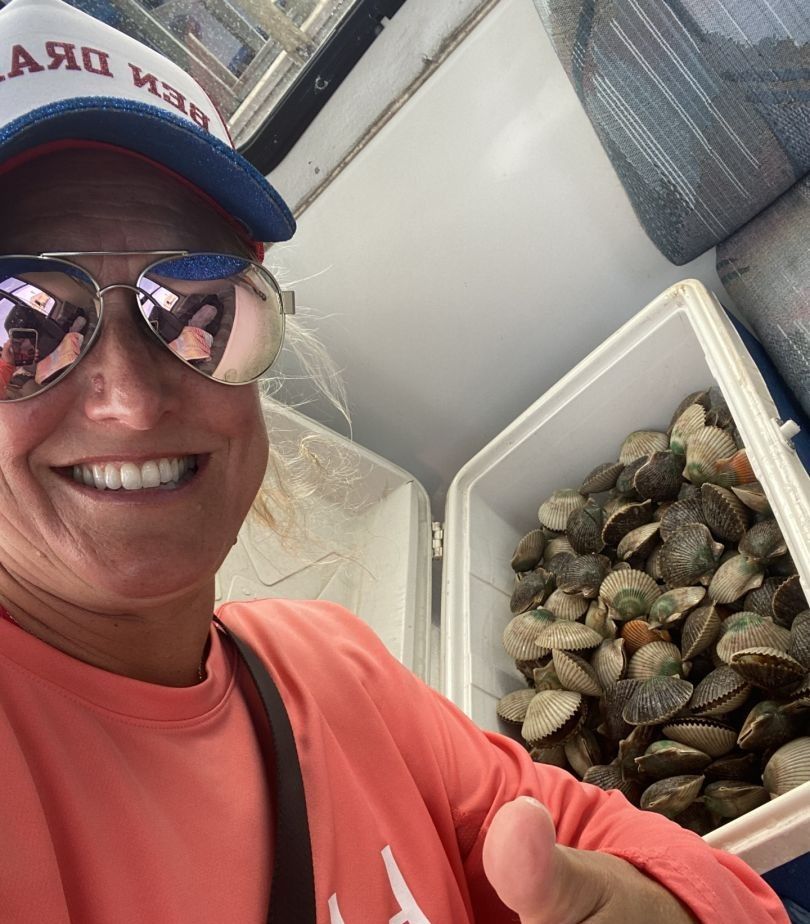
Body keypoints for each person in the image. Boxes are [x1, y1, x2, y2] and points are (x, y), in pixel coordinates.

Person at [0, 1, 791, 922]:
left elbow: (630, 853)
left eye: (193, 306)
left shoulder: (329, 664)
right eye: (22, 328)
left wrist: (652, 908)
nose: (131, 399)